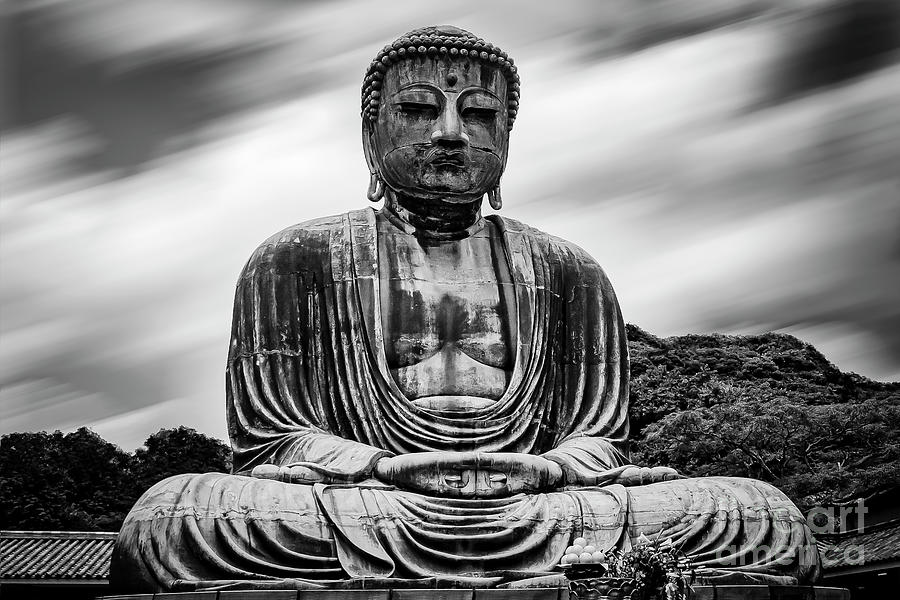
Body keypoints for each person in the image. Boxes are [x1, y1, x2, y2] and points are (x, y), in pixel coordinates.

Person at [111, 26, 820, 593]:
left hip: (539, 504)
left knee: (759, 514)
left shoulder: (568, 271)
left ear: (507, 137)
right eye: (418, 110)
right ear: (371, 134)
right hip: (366, 503)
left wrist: (543, 470)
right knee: (174, 519)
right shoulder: (295, 259)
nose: (450, 132)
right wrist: (385, 469)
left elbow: (599, 440)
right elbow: (273, 438)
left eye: (479, 114)